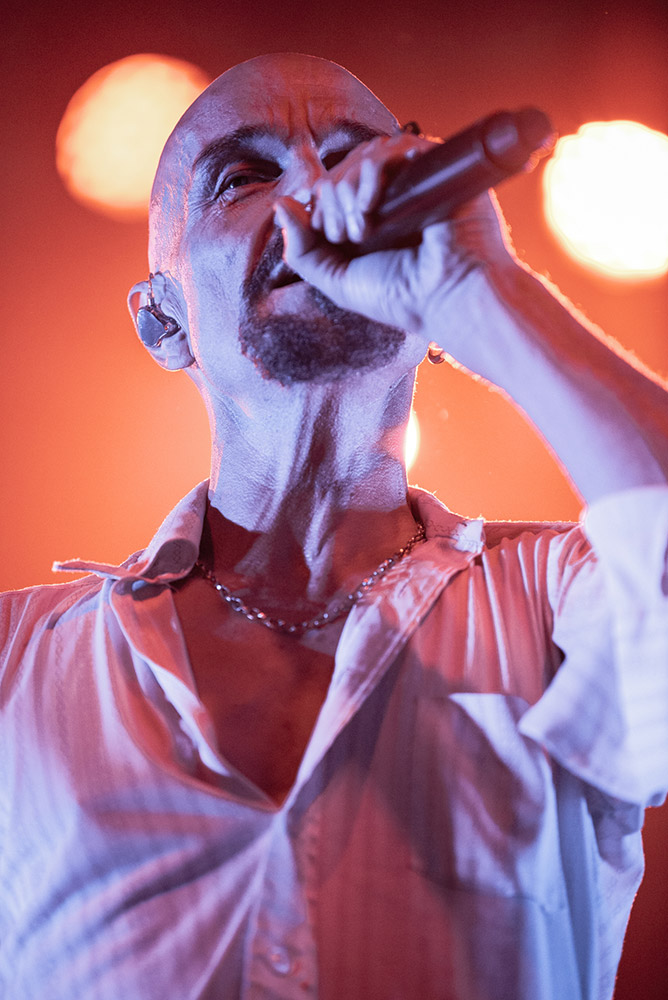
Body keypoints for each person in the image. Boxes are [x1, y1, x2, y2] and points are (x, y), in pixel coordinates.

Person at [1, 52, 667, 1000]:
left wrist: (482, 290)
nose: (318, 191)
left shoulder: (562, 602)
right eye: (245, 176)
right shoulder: (18, 663)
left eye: (358, 160)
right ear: (163, 324)